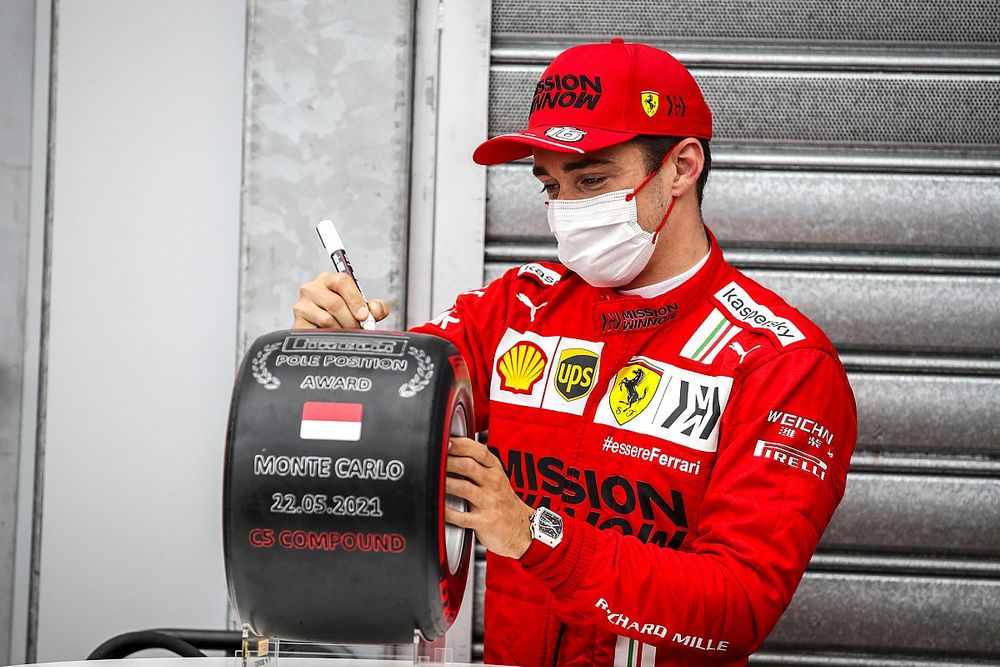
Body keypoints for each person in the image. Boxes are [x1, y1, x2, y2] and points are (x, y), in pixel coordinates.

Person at [293, 39, 857, 667]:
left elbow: (738, 607)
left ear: (682, 166)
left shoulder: (781, 364)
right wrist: (333, 351)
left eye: (592, 180)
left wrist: (536, 535)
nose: (568, 210)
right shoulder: (512, 309)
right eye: (551, 186)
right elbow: (376, 433)